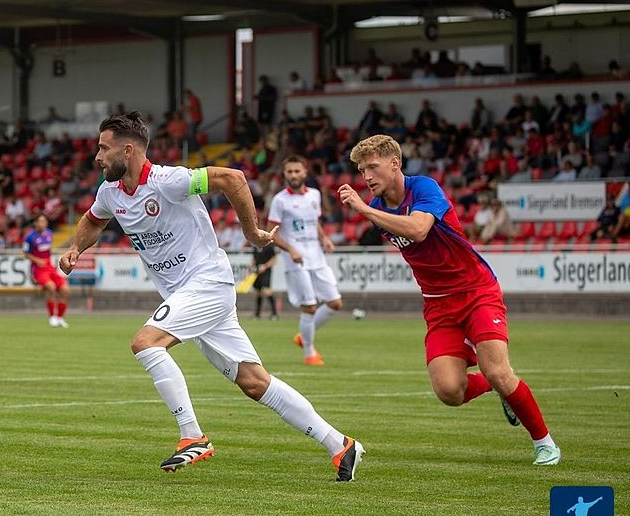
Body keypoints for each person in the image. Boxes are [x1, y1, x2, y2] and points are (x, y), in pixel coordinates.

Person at [59, 112, 364, 480]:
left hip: (206, 283)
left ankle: (192, 435)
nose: (97, 156)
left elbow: (232, 178)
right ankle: (340, 445)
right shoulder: (110, 192)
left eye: (103, 149)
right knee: (254, 382)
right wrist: (76, 247)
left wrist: (252, 232)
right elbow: (93, 220)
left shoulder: (168, 180)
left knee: (146, 343)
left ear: (128, 150)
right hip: (191, 295)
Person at [338, 134, 560, 466]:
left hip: (476, 292)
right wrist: (370, 211)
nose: (366, 177)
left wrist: (364, 209)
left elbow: (418, 229)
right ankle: (495, 387)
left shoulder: (424, 188)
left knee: (499, 369)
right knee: (448, 391)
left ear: (394, 163)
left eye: (372, 167)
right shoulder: (380, 208)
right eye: (361, 170)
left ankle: (545, 443)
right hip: (438, 305)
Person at [268, 156, 341, 365]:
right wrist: (291, 249)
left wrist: (324, 238)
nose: (293, 175)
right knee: (309, 306)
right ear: (284, 174)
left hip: (316, 256)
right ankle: (309, 352)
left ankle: (303, 335)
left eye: (296, 171)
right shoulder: (280, 200)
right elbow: (272, 232)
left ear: (305, 172)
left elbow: (314, 221)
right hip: (295, 260)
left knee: (335, 302)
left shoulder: (315, 195)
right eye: (289, 171)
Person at [25, 214, 69, 328]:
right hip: (39, 269)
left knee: (65, 289)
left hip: (49, 266)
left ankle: (60, 318)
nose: (42, 224)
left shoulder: (49, 234)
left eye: (44, 221)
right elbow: (26, 253)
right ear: (35, 223)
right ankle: (52, 317)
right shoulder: (30, 237)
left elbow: (48, 251)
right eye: (39, 221)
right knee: (51, 287)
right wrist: (37, 261)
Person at [250, 243, 278, 320]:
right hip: (257, 272)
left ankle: (274, 314)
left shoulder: (269, 247)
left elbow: (274, 260)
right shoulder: (255, 246)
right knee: (258, 292)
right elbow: (254, 258)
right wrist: (251, 266)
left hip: (266, 272)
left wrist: (265, 266)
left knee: (266, 290)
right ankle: (257, 314)